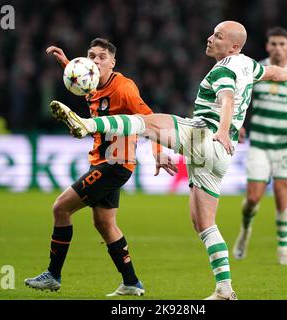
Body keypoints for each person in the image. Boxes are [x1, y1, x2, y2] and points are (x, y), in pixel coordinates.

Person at [49, 21, 287, 300]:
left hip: (206, 137)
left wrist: (221, 130)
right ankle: (224, 289)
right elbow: (270, 72)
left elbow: (227, 99)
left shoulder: (225, 69)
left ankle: (86, 126)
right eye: (212, 33)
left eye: (218, 36)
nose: (210, 38)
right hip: (221, 155)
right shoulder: (248, 64)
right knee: (204, 223)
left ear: (233, 46)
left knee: (147, 123)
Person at [24, 38, 177, 296]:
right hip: (103, 160)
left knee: (61, 208)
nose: (95, 61)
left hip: (116, 163)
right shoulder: (91, 84)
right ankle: (132, 282)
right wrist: (65, 63)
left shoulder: (125, 88)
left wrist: (159, 153)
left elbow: (151, 121)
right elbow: (80, 76)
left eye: (101, 57)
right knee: (104, 224)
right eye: (91, 56)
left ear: (112, 62)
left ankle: (53, 275)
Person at [232, 27, 287, 266]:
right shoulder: (257, 70)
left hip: (286, 143)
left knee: (281, 194)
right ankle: (245, 231)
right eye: (274, 44)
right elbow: (241, 99)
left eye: (282, 44)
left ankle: (283, 252)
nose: (278, 48)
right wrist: (239, 124)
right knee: (253, 198)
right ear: (268, 46)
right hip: (260, 142)